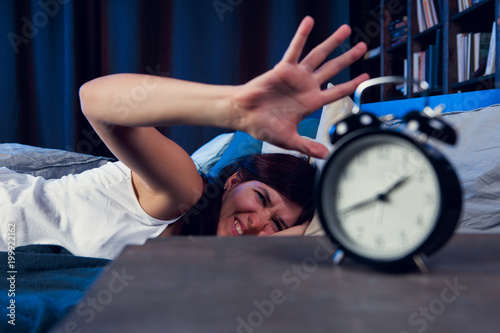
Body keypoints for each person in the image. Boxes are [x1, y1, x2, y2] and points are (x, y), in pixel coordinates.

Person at [0, 16, 368, 259]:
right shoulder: (185, 191)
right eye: (261, 197)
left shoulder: (210, 262)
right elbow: (96, 101)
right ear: (233, 180)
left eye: (278, 225)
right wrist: (234, 108)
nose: (258, 224)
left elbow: (310, 244)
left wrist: (304, 228)